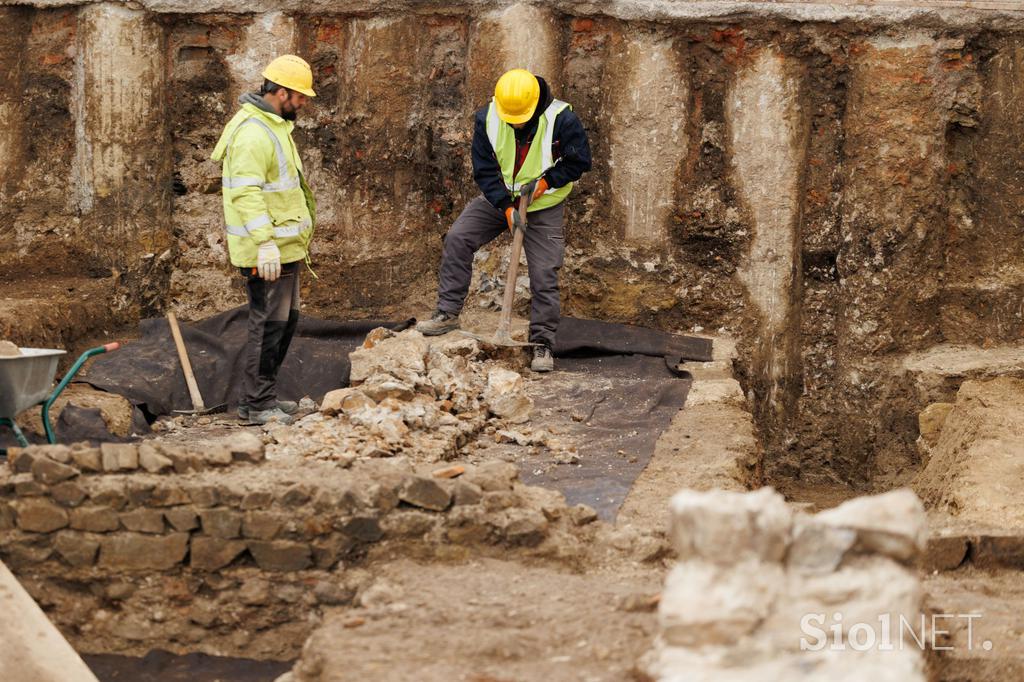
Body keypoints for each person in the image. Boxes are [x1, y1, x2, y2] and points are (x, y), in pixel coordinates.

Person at [416, 69, 592, 372]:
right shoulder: (489, 117)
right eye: (509, 117)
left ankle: (542, 342)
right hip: (500, 198)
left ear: (535, 106)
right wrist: (507, 208)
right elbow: (484, 170)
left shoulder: (562, 120)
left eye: (519, 118)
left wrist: (544, 183)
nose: (513, 122)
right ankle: (447, 313)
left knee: (544, 272)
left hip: (544, 203)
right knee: (458, 237)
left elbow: (580, 161)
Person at [211, 55, 317, 425]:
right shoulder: (254, 133)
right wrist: (265, 242)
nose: (304, 103)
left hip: (283, 248)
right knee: (268, 324)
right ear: (281, 92)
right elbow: (246, 193)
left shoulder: (273, 125)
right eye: (300, 97)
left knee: (284, 322)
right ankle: (256, 405)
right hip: (267, 250)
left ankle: (262, 397)